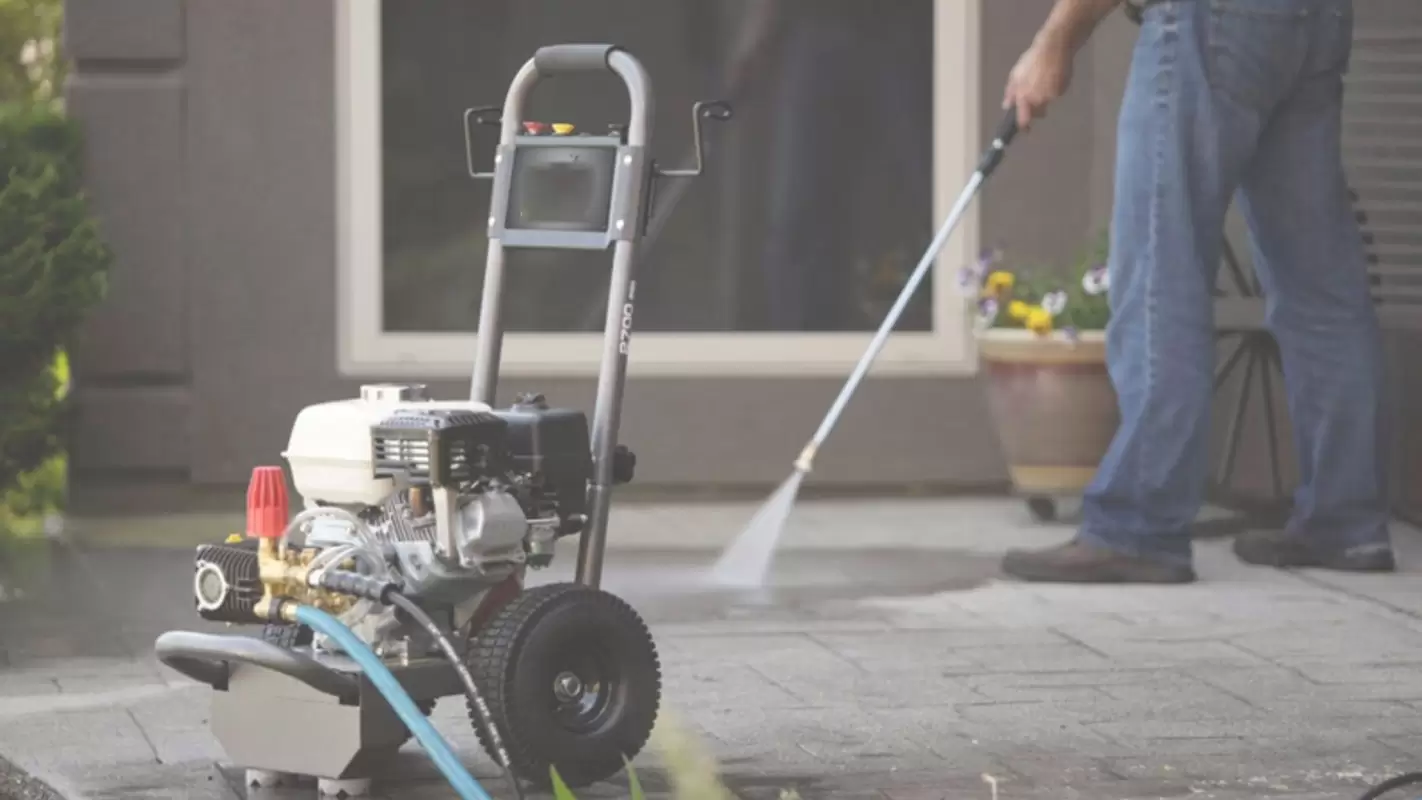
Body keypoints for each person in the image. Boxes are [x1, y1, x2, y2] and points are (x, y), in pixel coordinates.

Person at [996, 0, 1394, 583]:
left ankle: (1139, 524)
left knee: (1162, 266)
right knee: (1320, 288)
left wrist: (1054, 42)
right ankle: (1347, 521)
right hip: (1317, 21)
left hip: (1211, 22)